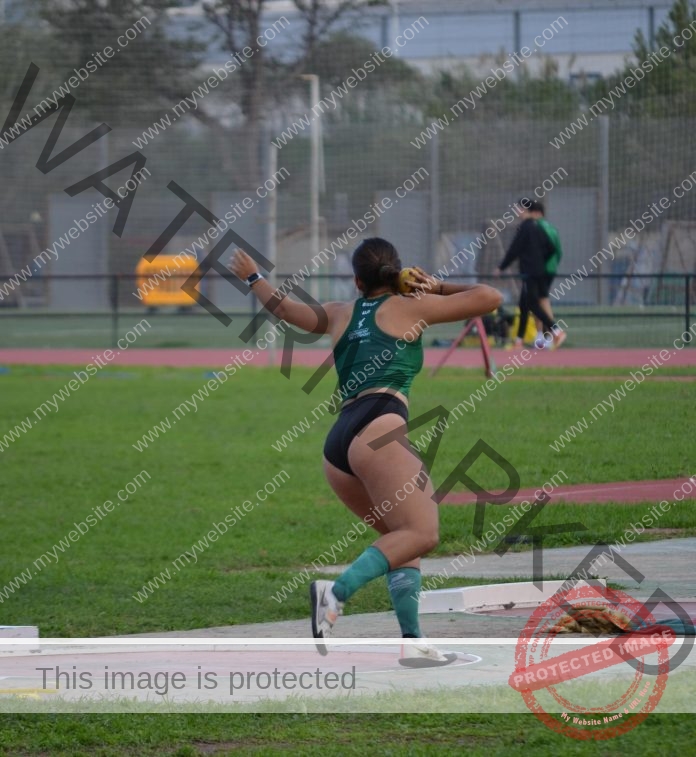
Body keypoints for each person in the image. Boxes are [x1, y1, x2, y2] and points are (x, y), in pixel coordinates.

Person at [230, 239, 502, 666]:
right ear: (396, 274)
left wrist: (253, 276)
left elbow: (284, 310)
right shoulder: (411, 308)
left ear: (356, 281)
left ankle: (415, 643)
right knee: (424, 533)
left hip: (339, 445)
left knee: (400, 541)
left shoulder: (340, 312)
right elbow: (490, 297)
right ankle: (333, 594)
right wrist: (434, 285)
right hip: (379, 428)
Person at [495, 198, 565, 350]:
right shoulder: (537, 227)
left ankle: (556, 330)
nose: (516, 211)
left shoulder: (526, 227)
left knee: (533, 303)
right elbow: (552, 248)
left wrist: (501, 267)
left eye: (518, 208)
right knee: (524, 305)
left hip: (530, 273)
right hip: (540, 271)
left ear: (524, 210)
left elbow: (514, 249)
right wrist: (541, 261)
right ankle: (519, 341)